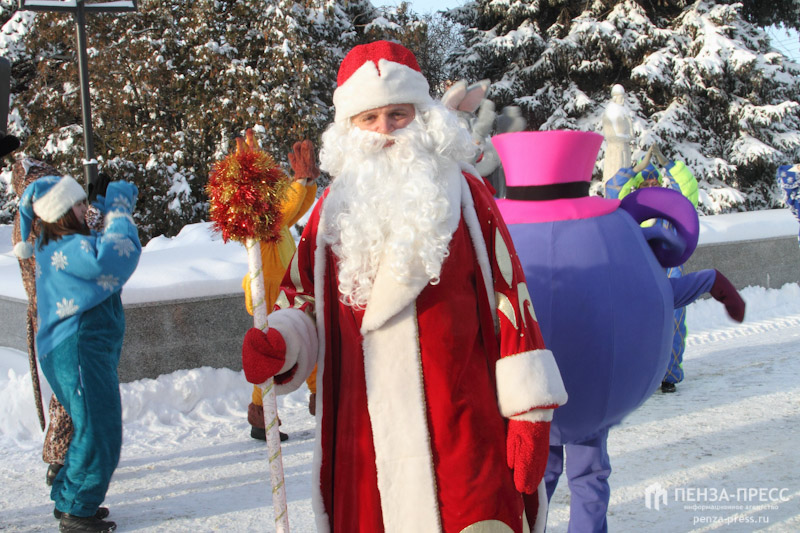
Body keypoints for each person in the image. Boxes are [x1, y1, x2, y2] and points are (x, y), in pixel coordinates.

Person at [241, 40, 567, 533]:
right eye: (369, 119)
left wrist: (529, 411)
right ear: (349, 129)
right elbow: (302, 301)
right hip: (363, 449)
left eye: (398, 114)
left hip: (461, 433)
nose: (385, 131)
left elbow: (510, 295)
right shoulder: (330, 212)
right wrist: (281, 342)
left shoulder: (464, 194)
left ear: (423, 116)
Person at [493, 130, 745, 533]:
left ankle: (527, 524)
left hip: (528, 394)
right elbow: (652, 295)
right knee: (586, 474)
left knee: (538, 472)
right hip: (592, 389)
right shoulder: (612, 233)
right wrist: (711, 281)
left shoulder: (498, 237)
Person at [14, 174, 141, 533]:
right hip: (79, 349)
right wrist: (117, 209)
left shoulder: (58, 244)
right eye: (81, 204)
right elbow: (113, 257)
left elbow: (94, 244)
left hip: (75, 350)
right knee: (101, 431)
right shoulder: (66, 248)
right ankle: (76, 511)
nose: (87, 210)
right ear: (64, 212)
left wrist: (99, 206)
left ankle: (70, 498)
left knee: (90, 427)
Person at [241, 134, 318, 441]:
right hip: (269, 295)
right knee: (282, 355)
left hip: (282, 292)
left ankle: (312, 400)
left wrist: (307, 182)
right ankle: (263, 414)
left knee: (307, 345)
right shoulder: (257, 218)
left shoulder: (275, 220)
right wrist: (299, 181)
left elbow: (295, 210)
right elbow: (284, 209)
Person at [609, 146, 700, 393]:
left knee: (674, 324)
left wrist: (670, 165)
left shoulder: (670, 213)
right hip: (637, 275)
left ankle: (669, 376)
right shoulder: (626, 212)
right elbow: (612, 191)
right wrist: (634, 169)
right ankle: (636, 375)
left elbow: (688, 191)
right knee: (635, 327)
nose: (651, 184)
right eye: (645, 181)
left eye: (654, 180)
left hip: (670, 274)